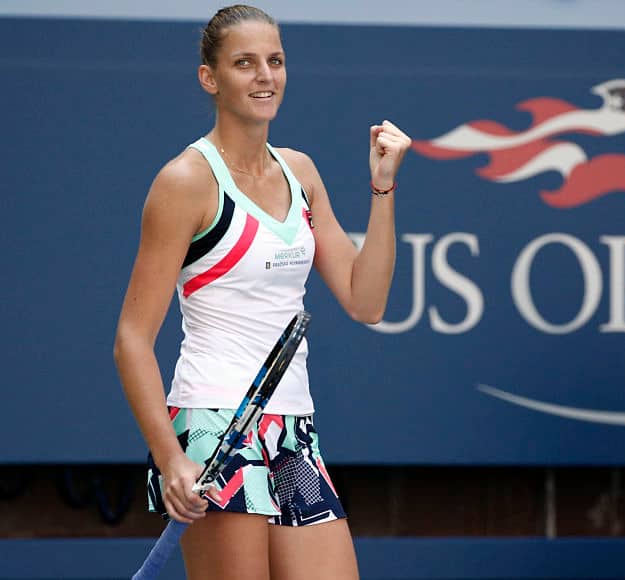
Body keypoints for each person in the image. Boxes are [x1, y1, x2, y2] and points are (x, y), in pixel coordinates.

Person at [113, 5, 410, 579]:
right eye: (244, 63)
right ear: (210, 78)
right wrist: (171, 457)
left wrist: (382, 187)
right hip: (212, 423)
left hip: (294, 426)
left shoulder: (301, 171)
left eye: (274, 61)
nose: (264, 76)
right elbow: (131, 338)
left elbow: (365, 300)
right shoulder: (185, 181)